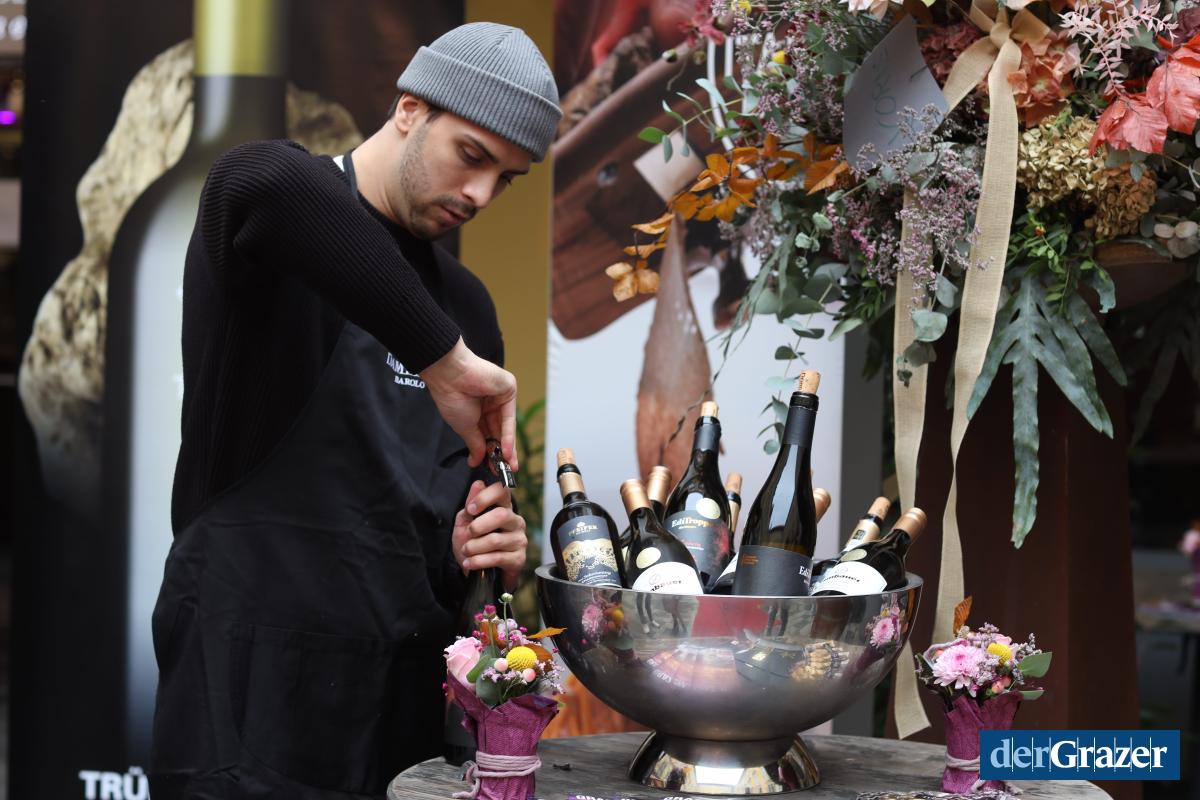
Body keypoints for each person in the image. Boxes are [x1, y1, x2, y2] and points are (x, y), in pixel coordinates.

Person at [148, 22, 562, 800]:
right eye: (472, 155)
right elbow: (257, 175)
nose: (481, 195)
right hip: (246, 698)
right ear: (409, 108)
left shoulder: (467, 304)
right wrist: (440, 356)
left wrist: (479, 547)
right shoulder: (274, 230)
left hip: (395, 704)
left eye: (507, 178)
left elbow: (442, 523)